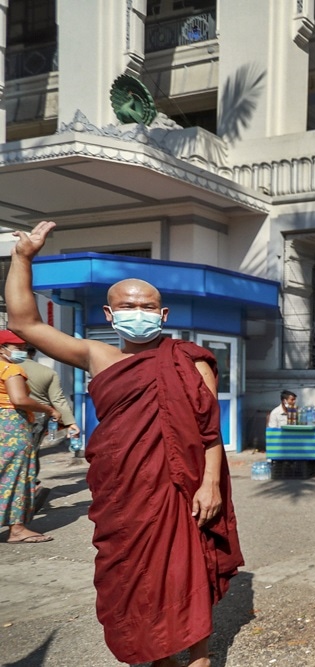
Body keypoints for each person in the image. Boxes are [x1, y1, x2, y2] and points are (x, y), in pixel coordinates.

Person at [5, 220, 242, 667]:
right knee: (134, 575)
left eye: (149, 306)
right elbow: (24, 321)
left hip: (181, 489)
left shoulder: (191, 362)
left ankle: (198, 654)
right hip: (125, 493)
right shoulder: (98, 356)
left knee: (184, 571)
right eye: (129, 306)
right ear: (110, 315)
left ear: (163, 314)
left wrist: (210, 484)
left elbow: (209, 431)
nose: (140, 312)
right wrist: (22, 258)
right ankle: (158, 654)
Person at [0, 330, 59, 544]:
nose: (23, 352)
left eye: (24, 348)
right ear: (2, 348)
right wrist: (48, 409)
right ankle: (17, 529)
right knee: (16, 475)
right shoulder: (11, 369)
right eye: (18, 348)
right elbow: (19, 399)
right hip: (12, 425)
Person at [18, 344, 79, 514]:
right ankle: (31, 486)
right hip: (38, 416)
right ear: (33, 353)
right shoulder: (47, 372)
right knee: (32, 453)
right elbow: (58, 400)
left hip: (9, 416)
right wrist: (70, 422)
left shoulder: (8, 368)